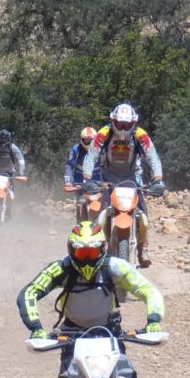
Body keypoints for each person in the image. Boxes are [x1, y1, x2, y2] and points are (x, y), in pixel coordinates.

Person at [17, 221, 164, 378]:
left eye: (92, 252)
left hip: (109, 332)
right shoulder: (60, 269)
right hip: (72, 335)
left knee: (126, 376)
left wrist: (154, 320)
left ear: (103, 248)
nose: (86, 259)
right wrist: (36, 328)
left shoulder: (116, 267)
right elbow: (29, 292)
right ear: (71, 250)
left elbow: (148, 290)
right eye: (81, 253)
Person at [81, 103, 165, 267]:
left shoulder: (140, 135)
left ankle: (143, 248)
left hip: (131, 178)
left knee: (143, 214)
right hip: (108, 178)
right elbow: (91, 156)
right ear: (113, 120)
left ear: (133, 123)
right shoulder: (104, 133)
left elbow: (152, 156)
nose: (123, 128)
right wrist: (87, 178)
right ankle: (97, 247)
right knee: (100, 213)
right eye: (120, 124)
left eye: (127, 124)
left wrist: (158, 179)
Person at [64, 126, 101, 221]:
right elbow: (69, 166)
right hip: (80, 184)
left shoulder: (102, 150)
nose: (88, 143)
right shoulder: (76, 150)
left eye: (91, 140)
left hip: (98, 184)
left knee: (105, 206)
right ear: (81, 139)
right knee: (80, 204)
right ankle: (80, 227)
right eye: (86, 140)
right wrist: (68, 182)